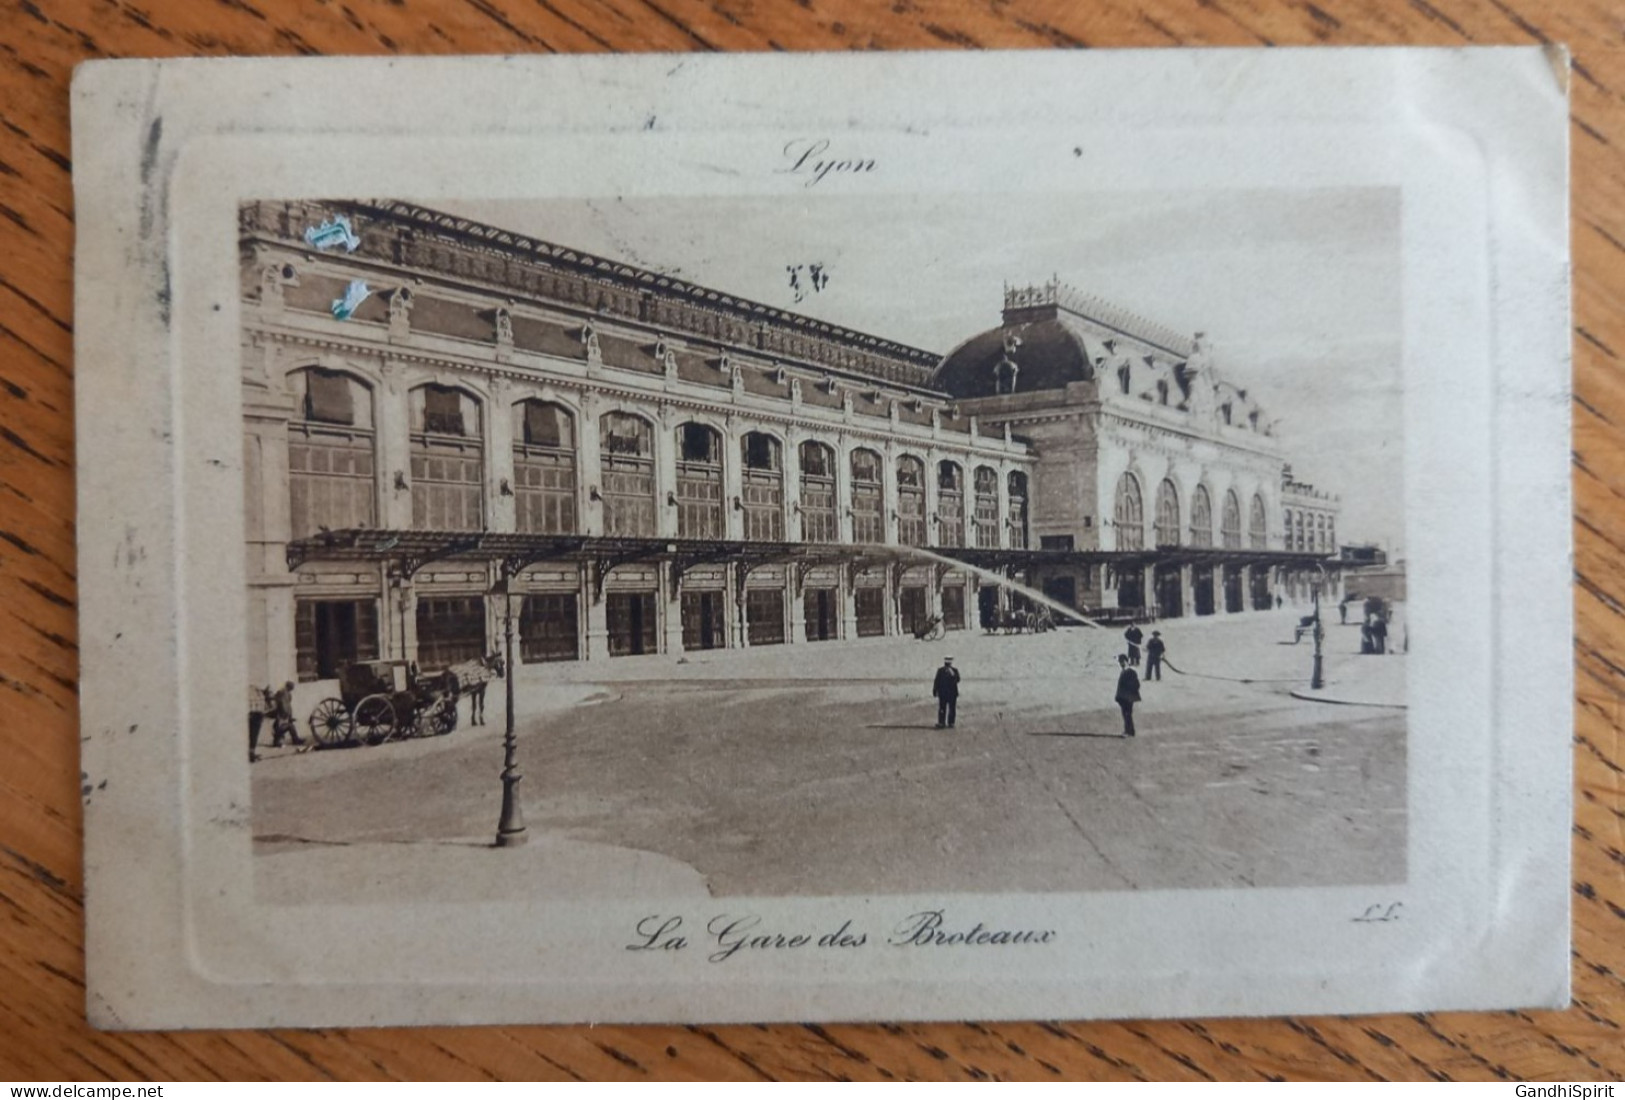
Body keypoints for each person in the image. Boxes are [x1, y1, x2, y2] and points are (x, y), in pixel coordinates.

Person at [269, 680, 304, 748]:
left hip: (281, 719)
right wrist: (287, 714)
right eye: (291, 688)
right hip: (280, 721)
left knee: (290, 726)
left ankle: (294, 740)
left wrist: (290, 716)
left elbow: (287, 706)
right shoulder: (282, 693)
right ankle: (293, 740)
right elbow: (283, 706)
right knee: (290, 726)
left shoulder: (287, 694)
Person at [1115, 654, 1141, 738]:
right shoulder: (1124, 671)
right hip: (1123, 697)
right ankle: (1131, 731)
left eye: (1122, 662)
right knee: (1126, 714)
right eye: (1120, 662)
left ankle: (1128, 731)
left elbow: (1136, 685)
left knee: (1127, 714)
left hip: (1128, 698)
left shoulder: (1131, 672)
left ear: (1126, 662)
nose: (1121, 664)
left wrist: (1129, 693)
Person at [932, 656, 960, 730]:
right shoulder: (940, 670)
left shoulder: (954, 670)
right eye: (946, 662)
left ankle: (951, 723)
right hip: (943, 693)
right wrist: (935, 691)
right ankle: (941, 722)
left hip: (952, 693)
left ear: (951, 663)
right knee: (942, 708)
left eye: (949, 662)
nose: (948, 663)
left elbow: (958, 679)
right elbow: (936, 681)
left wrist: (952, 674)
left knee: (952, 708)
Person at [248, 684, 269, 763]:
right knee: (253, 736)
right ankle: (251, 755)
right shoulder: (255, 690)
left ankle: (251, 753)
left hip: (254, 714)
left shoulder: (255, 690)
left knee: (252, 736)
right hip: (254, 714)